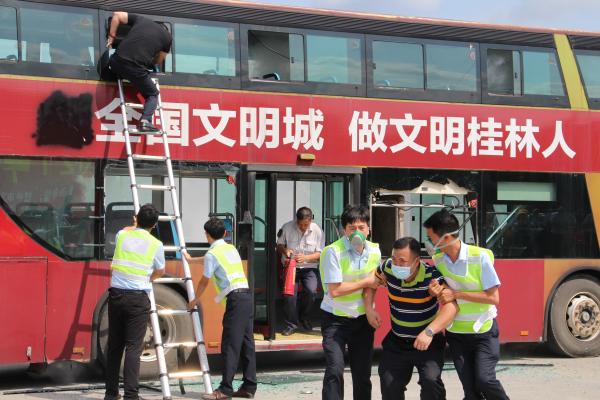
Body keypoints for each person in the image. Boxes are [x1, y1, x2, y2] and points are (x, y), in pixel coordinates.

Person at [424, 210, 510, 400]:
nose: (428, 242)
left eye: (431, 238)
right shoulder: (438, 260)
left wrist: (456, 294)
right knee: (470, 391)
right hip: (456, 334)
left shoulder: (480, 257)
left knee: (485, 380)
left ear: (446, 237)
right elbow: (442, 290)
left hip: (483, 331)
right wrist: (435, 290)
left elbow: (493, 298)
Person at [365, 237, 458, 400]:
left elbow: (452, 307)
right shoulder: (387, 268)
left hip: (428, 342)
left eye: (402, 261)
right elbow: (372, 283)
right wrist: (369, 309)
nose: (397, 265)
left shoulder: (433, 277)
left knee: (431, 382)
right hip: (397, 342)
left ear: (417, 261)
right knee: (389, 382)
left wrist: (429, 332)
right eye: (394, 259)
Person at [184, 218, 256, 400]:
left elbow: (205, 280)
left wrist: (194, 300)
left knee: (230, 345)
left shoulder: (212, 254)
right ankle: (249, 386)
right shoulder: (230, 249)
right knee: (247, 343)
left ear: (206, 235)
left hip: (235, 300)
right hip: (247, 296)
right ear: (225, 233)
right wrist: (192, 260)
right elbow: (210, 258)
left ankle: (225, 389)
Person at [320, 204, 383, 400]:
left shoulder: (375, 251)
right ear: (344, 230)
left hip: (362, 320)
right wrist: (366, 282)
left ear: (368, 229)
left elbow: (372, 285)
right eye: (352, 228)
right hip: (335, 320)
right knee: (334, 370)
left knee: (362, 373)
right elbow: (335, 290)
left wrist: (369, 309)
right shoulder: (332, 251)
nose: (357, 232)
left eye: (361, 227)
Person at [104, 204, 165, 400]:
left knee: (114, 347)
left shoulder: (122, 235)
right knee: (133, 348)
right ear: (154, 224)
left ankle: (111, 394)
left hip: (116, 296)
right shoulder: (156, 244)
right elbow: (160, 270)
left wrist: (135, 224)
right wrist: (149, 279)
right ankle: (131, 395)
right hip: (137, 298)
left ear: (136, 218)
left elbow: (126, 229)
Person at [106, 11, 172, 133]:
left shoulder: (141, 20)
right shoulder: (167, 38)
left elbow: (116, 15)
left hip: (115, 62)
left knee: (124, 70)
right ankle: (146, 121)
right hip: (135, 68)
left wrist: (112, 36)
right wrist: (149, 61)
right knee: (153, 93)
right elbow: (159, 60)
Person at [276, 207, 325, 336]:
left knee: (311, 291)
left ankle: (304, 316)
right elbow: (279, 245)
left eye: (306, 225)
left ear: (310, 220)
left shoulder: (318, 230)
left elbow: (320, 253)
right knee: (289, 295)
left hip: (310, 267)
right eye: (300, 224)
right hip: (291, 267)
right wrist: (285, 250)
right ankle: (291, 324)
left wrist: (306, 258)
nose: (303, 227)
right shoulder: (287, 227)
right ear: (296, 220)